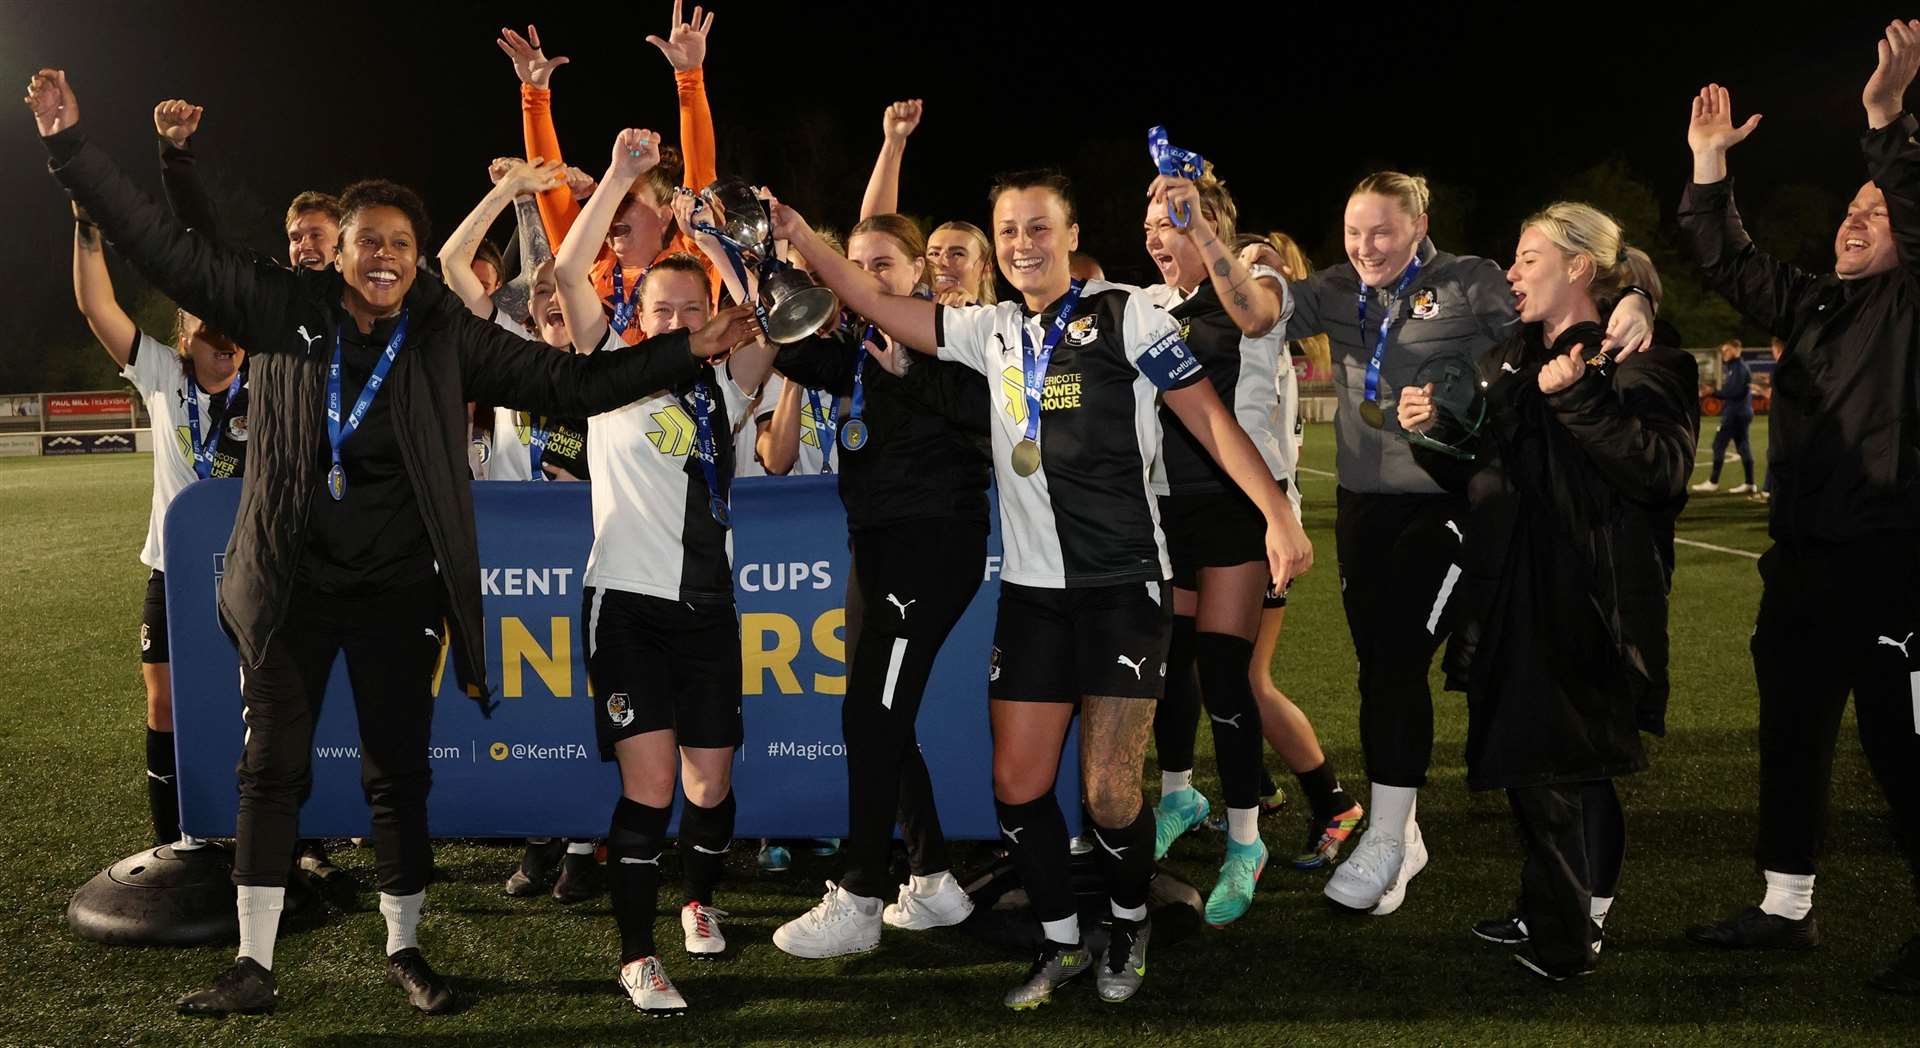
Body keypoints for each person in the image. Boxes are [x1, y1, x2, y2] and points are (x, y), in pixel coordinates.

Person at [28, 71, 758, 1017]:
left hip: (396, 587)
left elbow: (566, 385)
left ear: (418, 259)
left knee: (395, 772)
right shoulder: (277, 302)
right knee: (270, 769)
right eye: (368, 241)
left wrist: (683, 351)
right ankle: (253, 964)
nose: (383, 258)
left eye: (401, 246)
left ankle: (405, 950)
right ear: (342, 251)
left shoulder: (441, 328)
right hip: (291, 578)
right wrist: (71, 150)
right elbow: (166, 247)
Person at [769, 168, 1311, 1008]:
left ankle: (1126, 921)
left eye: (1039, 228)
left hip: (1123, 587)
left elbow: (1207, 414)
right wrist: (804, 239)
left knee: (1106, 793)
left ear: (1068, 233)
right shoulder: (983, 329)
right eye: (1010, 230)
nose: (1024, 243)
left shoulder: (1127, 311)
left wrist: (1277, 514)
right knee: (1017, 786)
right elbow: (872, 304)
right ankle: (1061, 940)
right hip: (1032, 595)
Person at [1286, 170, 1655, 917]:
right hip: (1363, 511)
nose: (1365, 246)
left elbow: (1565, 302)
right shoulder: (1331, 288)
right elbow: (1251, 308)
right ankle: (1407, 835)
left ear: (1419, 223)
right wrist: (1214, 244)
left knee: (1404, 665)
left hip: (1450, 504)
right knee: (1378, 673)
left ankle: (1391, 837)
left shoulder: (1472, 280)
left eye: (1382, 230)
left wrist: (1641, 294)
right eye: (1354, 232)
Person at [1676, 25, 1920, 997]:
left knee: (1902, 751)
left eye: (1877, 209)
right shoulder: (1815, 302)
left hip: (1894, 558)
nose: (1856, 219)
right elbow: (1726, 259)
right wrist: (1706, 163)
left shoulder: (1911, 302)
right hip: (1804, 560)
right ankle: (1785, 908)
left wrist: (1884, 120)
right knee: (1793, 733)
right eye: (1849, 209)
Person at [1399, 202, 1696, 981]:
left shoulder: (1637, 356)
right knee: (1559, 764)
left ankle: (1570, 937)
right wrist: (1434, 437)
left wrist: (1580, 397)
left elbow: (1660, 474)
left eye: (1528, 256)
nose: (1512, 271)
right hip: (1513, 590)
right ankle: (1559, 912)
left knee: (1553, 766)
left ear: (1577, 267)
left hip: (1588, 598)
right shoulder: (1509, 359)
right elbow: (1487, 482)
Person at [557, 127, 776, 1015]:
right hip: (629, 611)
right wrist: (617, 177)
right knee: (649, 789)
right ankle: (636, 954)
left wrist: (719, 239)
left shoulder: (728, 382)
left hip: (710, 609)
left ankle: (699, 898)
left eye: (695, 311)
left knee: (710, 782)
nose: (682, 324)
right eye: (664, 312)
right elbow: (572, 273)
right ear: (636, 319)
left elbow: (771, 314)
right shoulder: (609, 369)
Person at [770, 212, 994, 959]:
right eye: (855, 264)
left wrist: (913, 373)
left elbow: (986, 417)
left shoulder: (952, 335)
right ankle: (933, 881)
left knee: (871, 720)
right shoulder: (859, 349)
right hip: (876, 552)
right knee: (878, 718)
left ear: (915, 277)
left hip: (931, 548)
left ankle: (860, 896)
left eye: (883, 266)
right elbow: (792, 352)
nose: (866, 278)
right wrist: (731, 256)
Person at [1134, 164, 1318, 926]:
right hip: (1168, 505)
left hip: (1240, 502)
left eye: (1167, 215)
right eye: (1147, 218)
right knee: (1173, 665)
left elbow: (1249, 318)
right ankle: (1179, 795)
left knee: (1224, 671)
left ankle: (1246, 843)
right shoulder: (1149, 303)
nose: (1154, 229)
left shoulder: (1253, 276)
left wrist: (1204, 231)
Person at [71, 106, 249, 852]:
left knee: (258, 706)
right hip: (171, 571)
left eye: (232, 334)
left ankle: (280, 836)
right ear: (183, 336)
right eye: (208, 332)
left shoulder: (263, 382)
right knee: (166, 706)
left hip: (246, 568)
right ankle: (173, 841)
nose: (224, 345)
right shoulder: (157, 372)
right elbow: (96, 304)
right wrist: (87, 223)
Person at [498, 5, 720, 342]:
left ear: (664, 216)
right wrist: (535, 94)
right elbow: (551, 189)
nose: (614, 207)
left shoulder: (691, 255)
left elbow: (701, 171)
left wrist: (689, 77)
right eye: (614, 197)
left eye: (628, 199)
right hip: (609, 393)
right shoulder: (589, 263)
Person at [854, 98, 996, 306]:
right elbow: (875, 230)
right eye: (934, 253)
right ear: (919, 265)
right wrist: (893, 143)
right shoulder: (908, 311)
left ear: (986, 269)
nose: (942, 262)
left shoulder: (997, 324)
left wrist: (969, 313)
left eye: (958, 253)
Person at [1692, 339, 1755, 493]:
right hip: (1741, 412)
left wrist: (1712, 392)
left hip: (1735, 414)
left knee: (1718, 445)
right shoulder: (1736, 367)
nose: (1724, 353)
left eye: (1727, 350)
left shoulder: (1739, 368)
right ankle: (1749, 483)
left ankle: (1713, 482)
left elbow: (1734, 392)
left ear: (1736, 350)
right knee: (1743, 446)